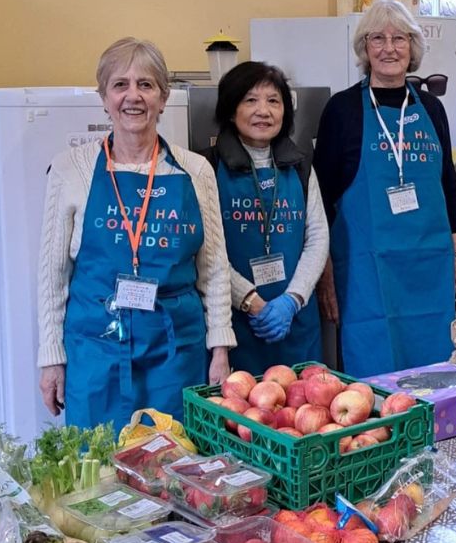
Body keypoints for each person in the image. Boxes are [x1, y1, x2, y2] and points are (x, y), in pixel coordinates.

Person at [37, 37, 235, 429]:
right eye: (120, 85)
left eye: (146, 85)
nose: (134, 96)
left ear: (163, 98)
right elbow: (52, 276)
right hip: (96, 353)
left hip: (175, 354)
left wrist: (220, 348)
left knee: (175, 465)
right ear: (103, 97)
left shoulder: (195, 171)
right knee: (97, 470)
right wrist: (51, 358)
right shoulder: (70, 170)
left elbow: (214, 270)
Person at [313, 0, 456, 378]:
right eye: (377, 38)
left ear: (413, 47)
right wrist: (324, 273)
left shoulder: (432, 108)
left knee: (434, 375)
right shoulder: (342, 110)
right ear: (364, 48)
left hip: (429, 271)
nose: (389, 48)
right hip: (368, 275)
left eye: (400, 38)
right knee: (374, 375)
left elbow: (449, 186)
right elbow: (319, 201)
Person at [203, 61, 328, 373]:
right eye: (250, 100)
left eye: (274, 101)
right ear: (231, 110)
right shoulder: (206, 168)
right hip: (237, 326)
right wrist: (250, 302)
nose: (264, 111)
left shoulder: (299, 165)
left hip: (296, 321)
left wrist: (292, 300)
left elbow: (317, 238)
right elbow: (206, 253)